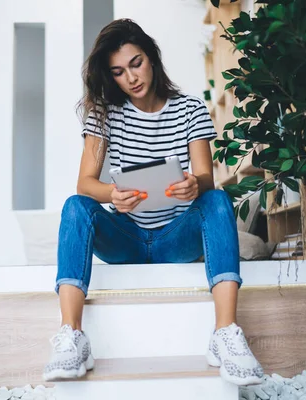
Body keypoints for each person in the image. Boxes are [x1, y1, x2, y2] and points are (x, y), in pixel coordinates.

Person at [42, 19, 263, 386]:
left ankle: (225, 333)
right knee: (74, 207)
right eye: (118, 72)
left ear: (152, 58)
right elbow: (85, 185)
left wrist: (194, 185)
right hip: (125, 238)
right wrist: (112, 194)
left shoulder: (190, 108)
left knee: (218, 200)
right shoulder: (104, 114)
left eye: (136, 63)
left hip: (175, 238)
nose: (130, 77)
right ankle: (72, 337)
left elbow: (206, 177)